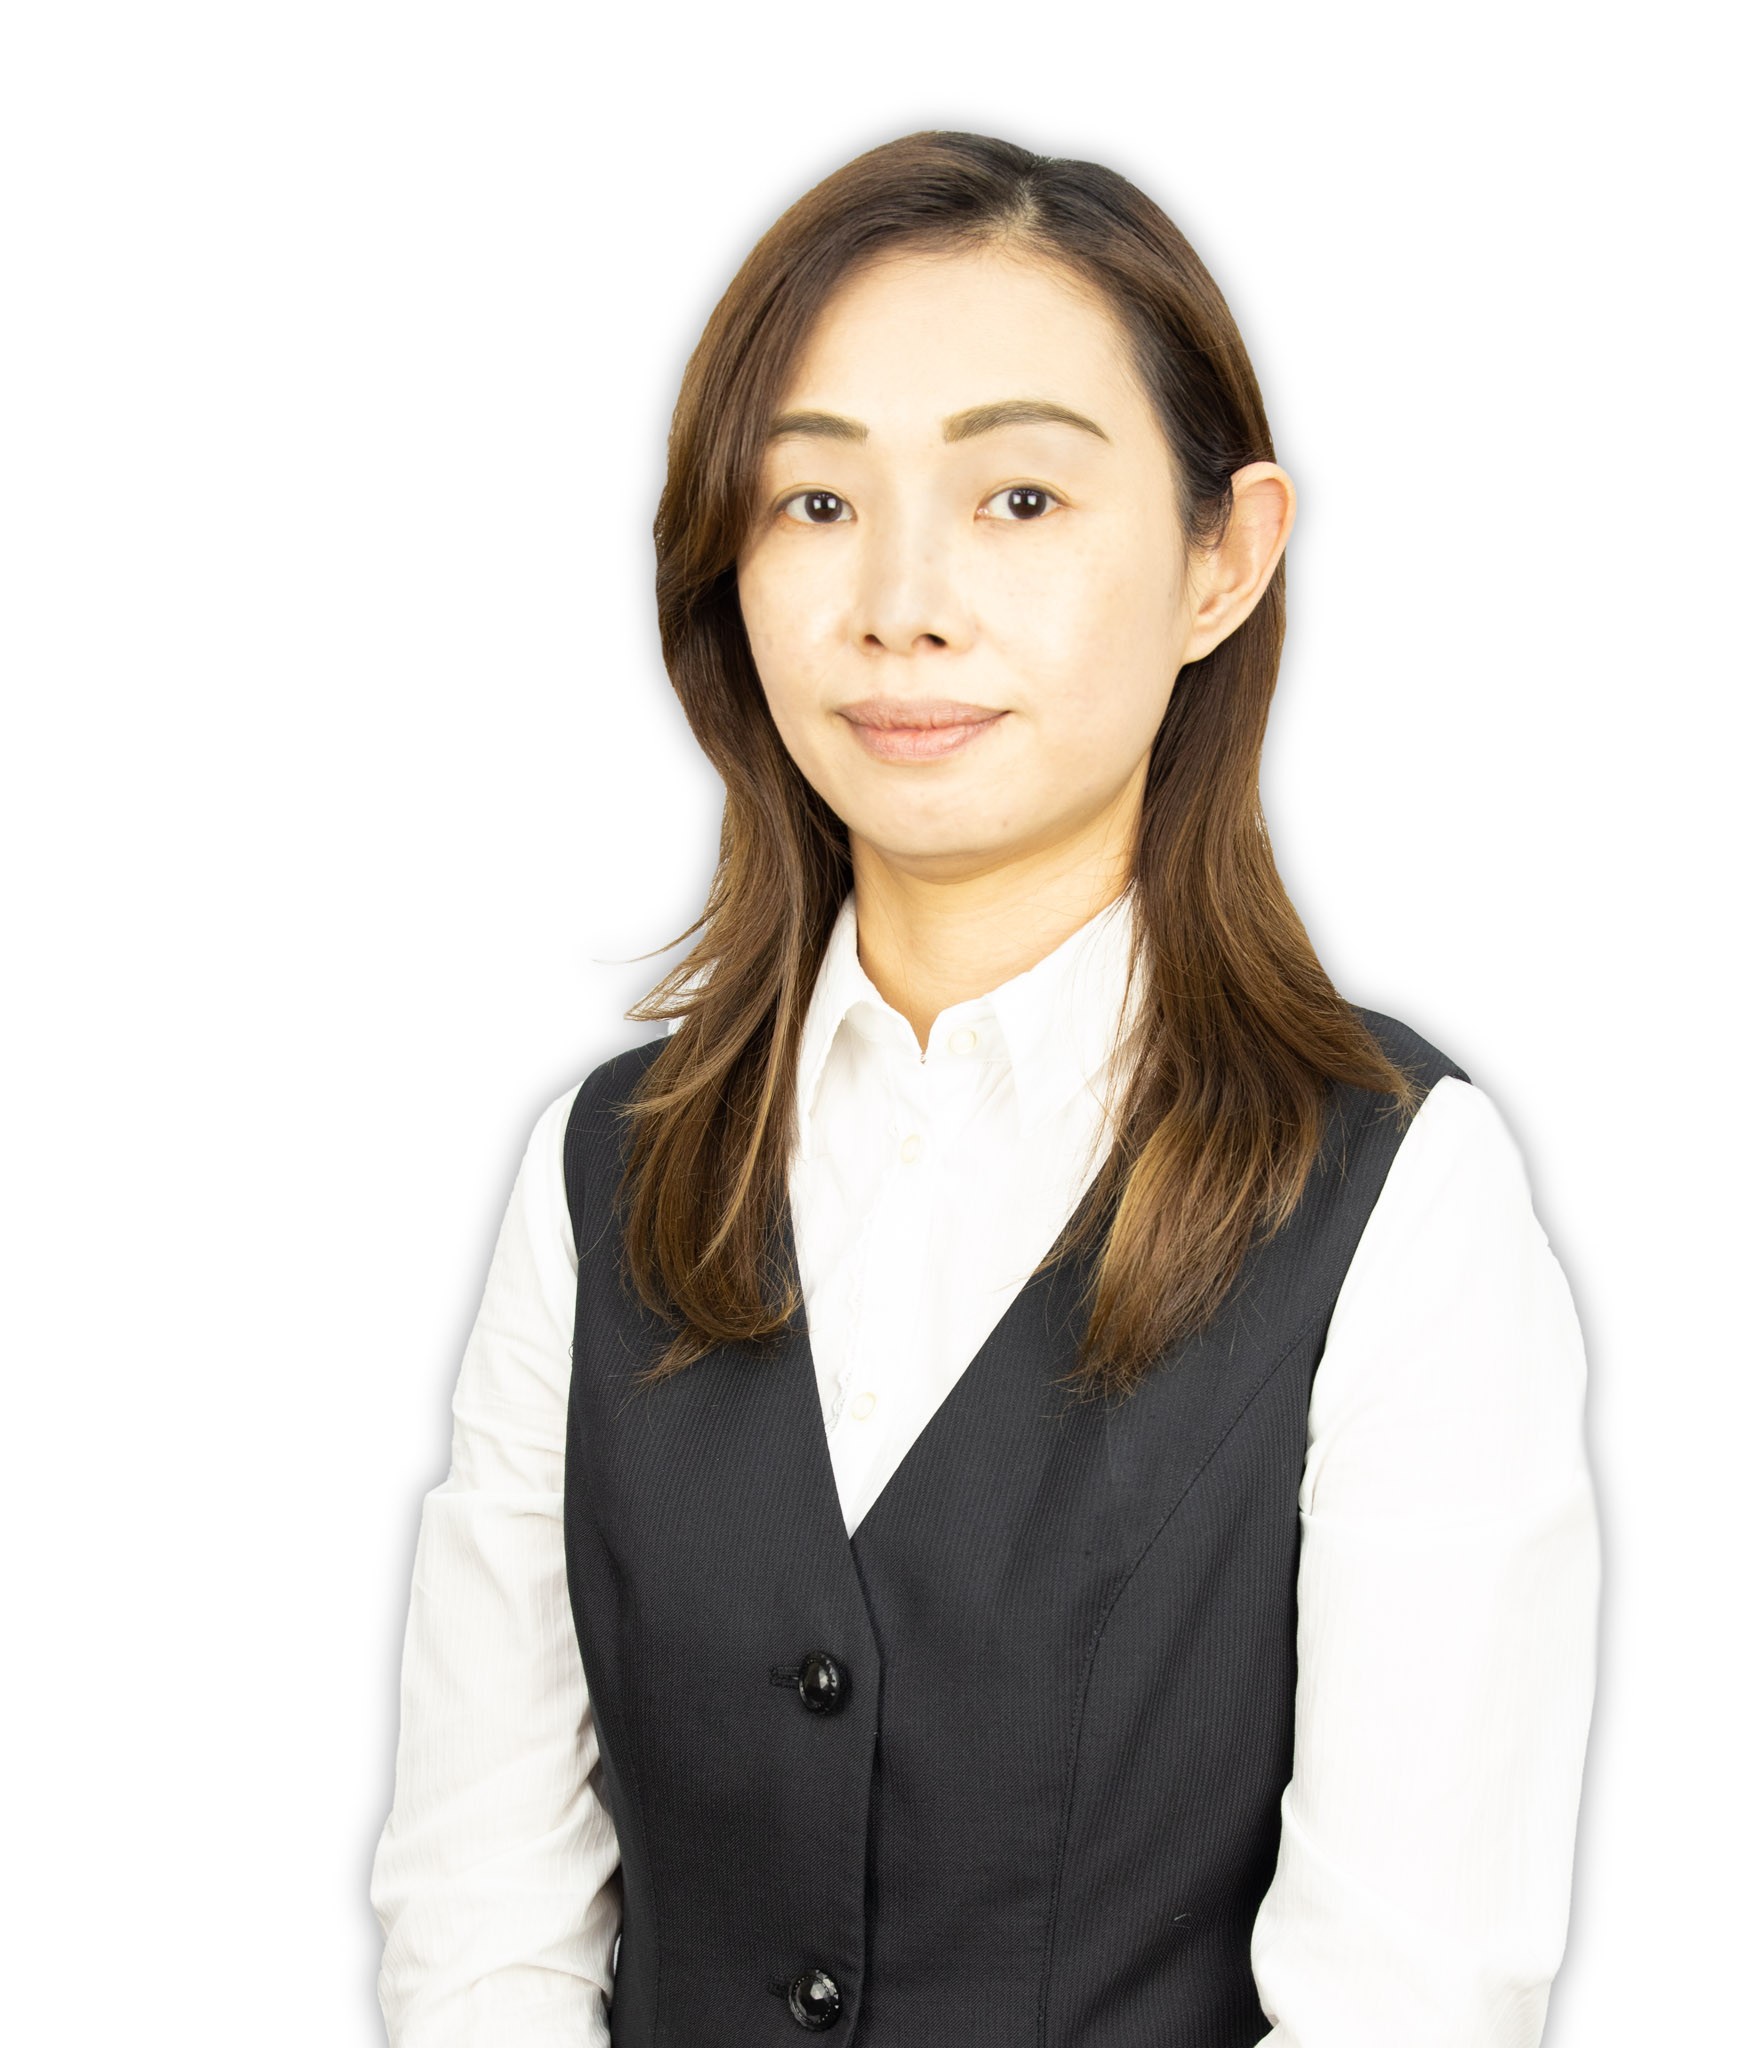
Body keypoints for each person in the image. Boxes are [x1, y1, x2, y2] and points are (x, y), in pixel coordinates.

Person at [370, 129, 1601, 2047]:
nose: (902, 603)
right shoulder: (603, 1173)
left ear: (1223, 559)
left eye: (1020, 496)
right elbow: (480, 1920)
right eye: (814, 502)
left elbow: (1410, 1997)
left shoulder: (1397, 1192)